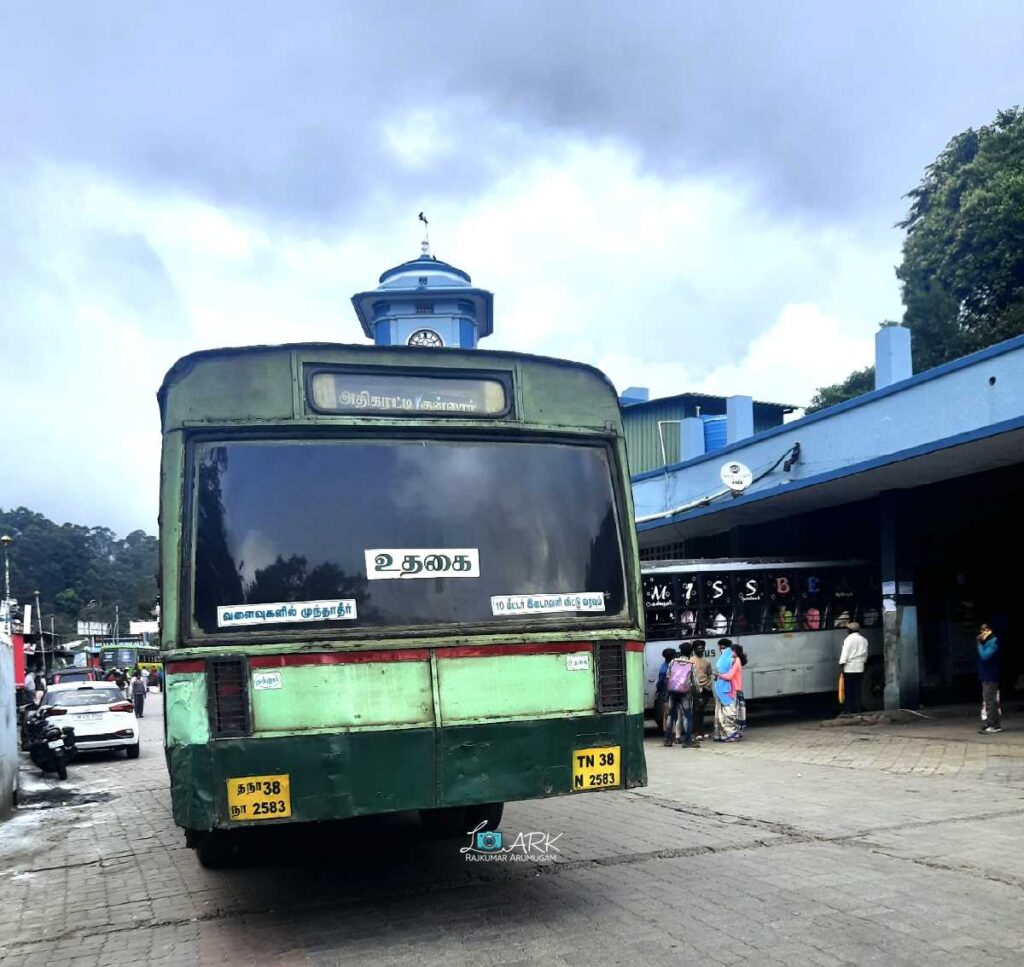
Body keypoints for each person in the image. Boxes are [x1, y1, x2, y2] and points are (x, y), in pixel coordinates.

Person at [663, 643, 701, 748]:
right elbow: (694, 682)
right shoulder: (691, 664)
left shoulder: (673, 661)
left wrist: (668, 691)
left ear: (680, 651)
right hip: (685, 693)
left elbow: (667, 677)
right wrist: (699, 692)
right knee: (687, 716)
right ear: (691, 652)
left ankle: (668, 740)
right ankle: (687, 741)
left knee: (671, 715)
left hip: (672, 691)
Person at [839, 621, 869, 715]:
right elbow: (865, 655)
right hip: (860, 667)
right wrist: (862, 663)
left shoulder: (848, 639)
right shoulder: (864, 640)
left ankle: (848, 709)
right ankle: (857, 709)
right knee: (857, 689)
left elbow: (845, 653)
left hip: (850, 668)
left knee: (848, 689)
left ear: (850, 630)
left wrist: (842, 663)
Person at [713, 638, 740, 741]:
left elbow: (727, 674)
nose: (721, 649)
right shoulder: (731, 657)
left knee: (727, 713)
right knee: (724, 712)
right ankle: (724, 734)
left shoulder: (729, 658)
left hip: (727, 689)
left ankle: (730, 734)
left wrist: (719, 675)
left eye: (722, 647)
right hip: (724, 688)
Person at [977, 622, 1001, 734]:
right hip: (986, 675)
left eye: (985, 630)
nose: (982, 633)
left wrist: (979, 644)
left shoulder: (994, 643)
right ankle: (991, 723)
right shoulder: (987, 642)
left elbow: (985, 656)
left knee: (990, 701)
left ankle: (993, 724)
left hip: (991, 676)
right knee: (988, 700)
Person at [690, 640, 713, 739]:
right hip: (695, 689)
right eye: (699, 648)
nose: (701, 650)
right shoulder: (691, 661)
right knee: (696, 711)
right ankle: (696, 733)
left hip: (705, 689)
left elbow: (709, 675)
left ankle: (702, 732)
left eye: (702, 648)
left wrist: (708, 684)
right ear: (694, 650)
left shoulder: (707, 662)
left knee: (702, 711)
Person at [733, 643, 748, 732]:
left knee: (735, 712)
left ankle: (736, 731)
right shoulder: (737, 660)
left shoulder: (736, 661)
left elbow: (730, 675)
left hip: (735, 689)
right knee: (739, 711)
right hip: (738, 689)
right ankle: (738, 730)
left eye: (732, 651)